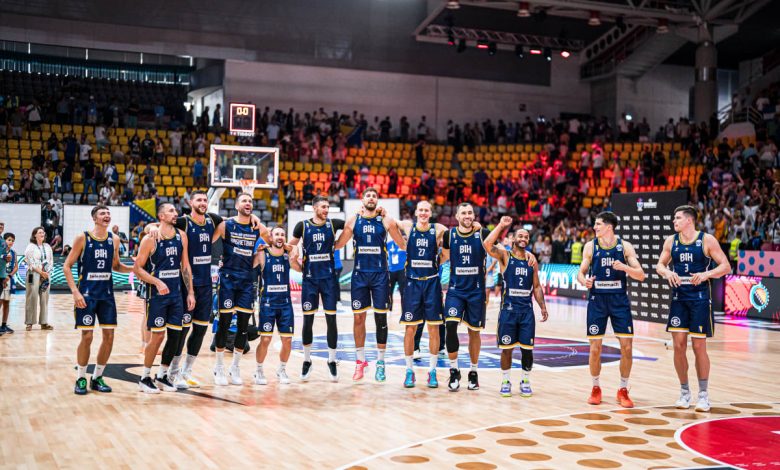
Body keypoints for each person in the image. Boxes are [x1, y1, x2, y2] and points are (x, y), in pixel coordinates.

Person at [144, 191, 262, 388]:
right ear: (190, 202)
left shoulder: (213, 220)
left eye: (205, 200)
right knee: (181, 332)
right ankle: (172, 373)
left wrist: (254, 217)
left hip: (206, 285)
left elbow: (238, 218)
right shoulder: (183, 222)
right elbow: (157, 225)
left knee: (199, 330)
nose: (203, 202)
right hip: (186, 285)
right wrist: (151, 227)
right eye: (198, 199)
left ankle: (186, 372)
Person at [655, 205, 731, 412]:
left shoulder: (707, 240)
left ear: (689, 220)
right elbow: (659, 265)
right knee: (678, 346)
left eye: (678, 218)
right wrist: (667, 273)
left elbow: (725, 266)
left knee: (699, 347)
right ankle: (684, 392)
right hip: (679, 299)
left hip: (699, 299)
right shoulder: (671, 241)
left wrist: (706, 275)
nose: (674, 221)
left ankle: (703, 395)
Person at [576, 211, 646, 408]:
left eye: (598, 224)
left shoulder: (625, 246)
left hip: (619, 300)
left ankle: (623, 389)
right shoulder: (591, 246)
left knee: (627, 347)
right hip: (597, 300)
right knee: (595, 348)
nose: (594, 227)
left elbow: (640, 275)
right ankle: (595, 387)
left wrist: (625, 268)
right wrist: (584, 281)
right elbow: (581, 272)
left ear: (609, 226)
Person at [335, 188, 405, 383]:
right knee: (358, 318)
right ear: (363, 199)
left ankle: (380, 363)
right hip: (360, 275)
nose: (371, 198)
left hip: (380, 275)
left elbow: (402, 244)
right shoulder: (353, 220)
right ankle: (360, 361)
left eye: (374, 196)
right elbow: (338, 244)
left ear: (377, 201)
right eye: (368, 195)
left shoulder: (386, 220)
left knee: (381, 319)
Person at [63, 205, 134, 395]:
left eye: (108, 213)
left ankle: (97, 377)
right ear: (94, 218)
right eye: (103, 213)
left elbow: (116, 266)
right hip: (86, 295)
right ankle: (81, 377)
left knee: (109, 336)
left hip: (107, 295)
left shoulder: (114, 239)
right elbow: (67, 266)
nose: (107, 215)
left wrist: (134, 269)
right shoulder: (83, 238)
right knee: (87, 337)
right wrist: (75, 292)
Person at [133, 203, 195, 393]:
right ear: (161, 216)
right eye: (171, 211)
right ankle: (145, 377)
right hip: (157, 295)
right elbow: (137, 268)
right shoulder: (150, 239)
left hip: (176, 293)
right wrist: (157, 282)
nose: (175, 213)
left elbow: (185, 266)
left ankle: (162, 376)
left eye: (175, 211)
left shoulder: (181, 236)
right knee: (158, 336)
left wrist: (190, 292)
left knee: (175, 336)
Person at [484, 217, 548, 397]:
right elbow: (487, 244)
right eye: (520, 236)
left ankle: (525, 380)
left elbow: (536, 286)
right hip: (508, 311)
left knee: (527, 350)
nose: (523, 239)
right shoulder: (505, 256)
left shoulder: (532, 260)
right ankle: (505, 381)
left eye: (526, 237)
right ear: (513, 239)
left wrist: (542, 306)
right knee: (507, 349)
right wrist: (501, 226)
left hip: (526, 311)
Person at [212, 193, 270, 386]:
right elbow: (207, 239)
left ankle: (235, 367)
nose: (248, 203)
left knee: (243, 327)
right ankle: (219, 366)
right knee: (224, 323)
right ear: (236, 205)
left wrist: (256, 260)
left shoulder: (257, 227)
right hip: (228, 279)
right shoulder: (225, 225)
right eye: (244, 201)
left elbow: (270, 240)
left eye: (250, 201)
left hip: (246, 280)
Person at [390, 201, 448, 388]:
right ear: (416, 212)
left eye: (426, 210)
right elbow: (390, 223)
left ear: (430, 213)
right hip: (412, 283)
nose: (423, 213)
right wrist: (382, 213)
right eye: (420, 210)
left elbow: (454, 237)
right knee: (410, 328)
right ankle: (409, 371)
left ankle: (432, 371)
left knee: (434, 328)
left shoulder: (438, 229)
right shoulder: (408, 226)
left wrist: (442, 258)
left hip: (431, 282)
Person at [288, 196, 345, 381]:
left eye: (328, 206)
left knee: (331, 321)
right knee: (308, 321)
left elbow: (353, 226)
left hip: (328, 280)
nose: (326, 209)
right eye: (323, 207)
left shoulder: (333, 224)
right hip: (310, 280)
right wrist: (293, 253)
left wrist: (340, 243)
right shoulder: (302, 226)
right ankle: (307, 361)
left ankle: (332, 361)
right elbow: (290, 245)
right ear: (314, 208)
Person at [441, 203, 491, 391]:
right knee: (450, 325)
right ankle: (454, 370)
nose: (467, 215)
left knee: (474, 332)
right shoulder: (449, 235)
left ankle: (473, 372)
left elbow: (500, 251)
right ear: (457, 216)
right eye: (464, 213)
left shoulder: (483, 233)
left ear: (474, 216)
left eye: (470, 212)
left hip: (476, 291)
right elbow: (443, 257)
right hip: (456, 290)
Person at [253, 227, 302, 385]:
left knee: (287, 341)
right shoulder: (263, 253)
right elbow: (249, 266)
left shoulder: (288, 255)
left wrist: (294, 254)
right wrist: (255, 251)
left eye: (282, 234)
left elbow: (300, 269)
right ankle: (259, 370)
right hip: (268, 303)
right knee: (266, 339)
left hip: (285, 303)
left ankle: (281, 370)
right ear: (271, 237)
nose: (280, 237)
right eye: (277, 234)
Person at [24, 227, 54, 331]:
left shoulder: (47, 246)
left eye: (43, 232)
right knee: (31, 298)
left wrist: (47, 272)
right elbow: (30, 262)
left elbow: (51, 260)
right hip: (33, 274)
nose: (42, 234)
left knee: (45, 299)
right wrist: (41, 272)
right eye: (40, 232)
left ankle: (44, 323)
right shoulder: (30, 247)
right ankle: (29, 323)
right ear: (35, 235)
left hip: (46, 275)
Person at [0, 232, 17, 334]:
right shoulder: (1, 251)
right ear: (4, 241)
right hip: (1, 279)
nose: (11, 242)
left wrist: (9, 276)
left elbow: (16, 267)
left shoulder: (13, 252)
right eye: (9, 240)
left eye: (12, 241)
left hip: (8, 279)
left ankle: (4, 325)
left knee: (7, 302)